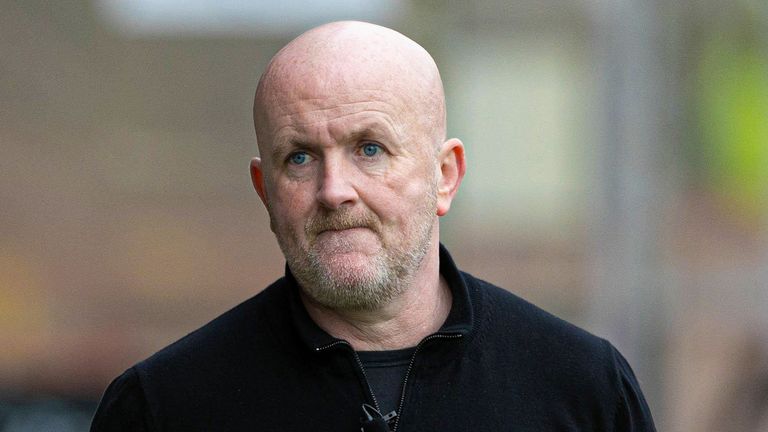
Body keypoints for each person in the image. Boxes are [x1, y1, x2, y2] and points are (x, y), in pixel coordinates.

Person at [90, 21, 656, 431]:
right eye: (300, 158)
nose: (335, 190)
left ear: (445, 176)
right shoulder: (164, 408)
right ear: (265, 192)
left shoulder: (581, 388)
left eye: (369, 148)